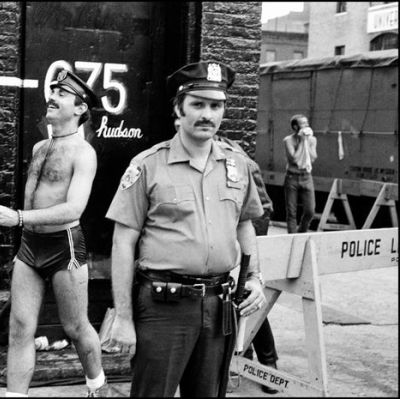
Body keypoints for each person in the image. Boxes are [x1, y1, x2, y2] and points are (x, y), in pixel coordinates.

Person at [105, 61, 267, 397]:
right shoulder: (148, 165)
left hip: (219, 305)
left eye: (216, 105)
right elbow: (123, 244)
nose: (207, 114)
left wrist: (254, 277)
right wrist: (123, 317)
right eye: (198, 104)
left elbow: (246, 225)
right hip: (164, 308)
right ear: (178, 110)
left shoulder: (237, 166)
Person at [0, 70, 107, 397]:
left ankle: (98, 387)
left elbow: (73, 210)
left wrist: (18, 217)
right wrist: (17, 219)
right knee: (20, 328)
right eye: (53, 92)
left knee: (76, 327)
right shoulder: (41, 146)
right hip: (29, 247)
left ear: (80, 108)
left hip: (63, 246)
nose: (52, 98)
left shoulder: (84, 153)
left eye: (62, 95)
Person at [216, 136, 280, 394]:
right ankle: (253, 361)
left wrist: (248, 257)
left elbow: (260, 209)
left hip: (235, 244)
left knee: (244, 300)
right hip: (218, 244)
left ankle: (268, 364)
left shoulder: (233, 157)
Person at [283, 114, 317, 233]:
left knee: (310, 211)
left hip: (307, 177)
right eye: (303, 123)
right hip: (292, 177)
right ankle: (292, 238)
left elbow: (313, 157)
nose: (306, 126)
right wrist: (302, 142)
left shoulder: (312, 140)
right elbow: (294, 159)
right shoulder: (288, 140)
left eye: (307, 123)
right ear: (295, 127)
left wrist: (306, 142)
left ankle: (301, 233)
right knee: (292, 212)